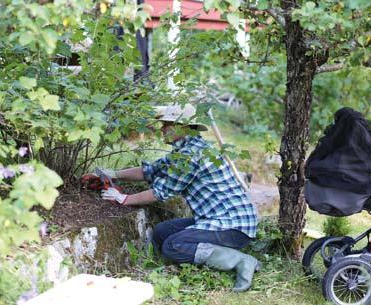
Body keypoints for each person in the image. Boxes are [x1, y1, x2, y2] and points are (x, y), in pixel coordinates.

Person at [101, 104, 260, 292]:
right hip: (221, 219)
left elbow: (161, 192)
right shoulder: (187, 150)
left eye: (167, 124)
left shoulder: (190, 155)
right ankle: (201, 256)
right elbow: (149, 171)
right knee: (162, 232)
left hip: (233, 226)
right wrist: (110, 173)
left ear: (183, 127)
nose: (162, 129)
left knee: (173, 245)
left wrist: (124, 199)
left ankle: (241, 261)